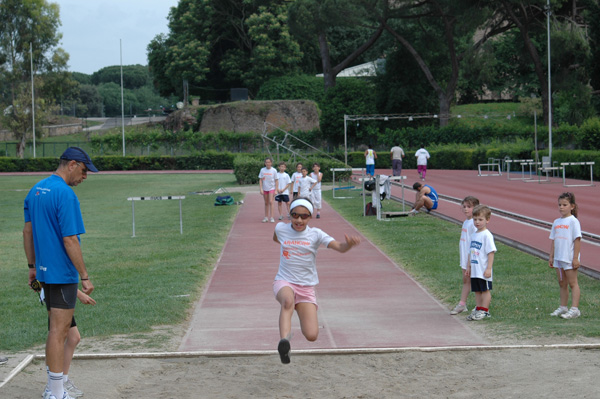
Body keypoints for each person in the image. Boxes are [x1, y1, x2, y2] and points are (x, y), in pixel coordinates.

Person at [23, 146, 97, 399]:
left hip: (44, 275)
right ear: (73, 164)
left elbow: (28, 232)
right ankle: (55, 392)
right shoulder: (65, 194)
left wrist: (32, 267)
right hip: (62, 274)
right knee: (58, 332)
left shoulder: (35, 190)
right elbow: (70, 240)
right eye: (85, 171)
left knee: (70, 335)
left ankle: (59, 384)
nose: (85, 177)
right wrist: (84, 276)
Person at [272, 198, 361, 364]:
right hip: (284, 281)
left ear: (310, 217)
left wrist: (348, 245)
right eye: (295, 215)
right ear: (289, 215)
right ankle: (284, 343)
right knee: (287, 301)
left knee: (312, 335)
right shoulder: (280, 228)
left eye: (304, 216)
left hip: (306, 288)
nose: (299, 220)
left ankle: (296, 316)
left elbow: (339, 247)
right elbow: (277, 238)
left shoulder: (316, 234)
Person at [42, 289, 96, 399]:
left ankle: (59, 382)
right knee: (63, 336)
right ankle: (55, 385)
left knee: (72, 337)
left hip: (58, 292)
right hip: (58, 293)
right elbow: (58, 274)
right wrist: (80, 293)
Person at [548, 192, 582, 319]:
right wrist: (551, 256)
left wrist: (575, 258)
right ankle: (563, 307)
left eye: (565, 205)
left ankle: (575, 309)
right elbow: (553, 240)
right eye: (560, 205)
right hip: (558, 258)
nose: (561, 207)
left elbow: (577, 240)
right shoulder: (556, 222)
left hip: (569, 258)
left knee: (573, 283)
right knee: (562, 283)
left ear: (572, 206)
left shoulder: (573, 222)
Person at [466, 205, 497, 321]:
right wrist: (469, 266)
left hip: (483, 269)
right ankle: (478, 308)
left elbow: (491, 252)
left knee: (485, 290)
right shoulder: (474, 235)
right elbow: (471, 251)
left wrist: (489, 268)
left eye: (480, 219)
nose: (477, 222)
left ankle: (485, 310)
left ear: (487, 220)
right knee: (477, 290)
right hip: (475, 269)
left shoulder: (487, 235)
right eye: (475, 219)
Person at [450, 196, 480, 315]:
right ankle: (462, 304)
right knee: (466, 280)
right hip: (464, 257)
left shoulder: (474, 224)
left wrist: (470, 261)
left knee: (475, 281)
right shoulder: (466, 222)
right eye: (464, 206)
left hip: (471, 258)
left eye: (469, 207)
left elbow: (474, 243)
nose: (466, 209)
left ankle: (480, 306)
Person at [258, 157, 278, 223]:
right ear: (265, 163)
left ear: (271, 163)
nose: (268, 163)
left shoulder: (274, 170)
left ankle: (272, 217)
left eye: (269, 162)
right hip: (265, 188)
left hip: (271, 188)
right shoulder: (262, 170)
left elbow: (276, 180)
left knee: (271, 202)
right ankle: (266, 217)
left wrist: (276, 190)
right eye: (266, 162)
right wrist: (261, 189)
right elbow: (260, 180)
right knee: (266, 203)